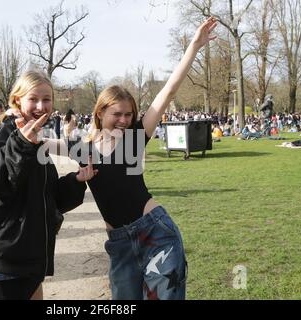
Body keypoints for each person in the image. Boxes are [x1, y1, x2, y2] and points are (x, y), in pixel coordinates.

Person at [68, 17, 217, 300]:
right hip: (120, 245)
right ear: (100, 113)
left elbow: (168, 91)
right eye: (117, 114)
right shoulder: (82, 149)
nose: (124, 120)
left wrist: (194, 47)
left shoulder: (136, 137)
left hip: (156, 235)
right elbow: (38, 142)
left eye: (129, 114)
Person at [0, 70, 97, 300]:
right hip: (2, 257)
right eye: (33, 99)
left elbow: (46, 196)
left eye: (47, 99)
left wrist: (76, 180)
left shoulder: (33, 136)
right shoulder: (4, 130)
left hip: (26, 255)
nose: (41, 106)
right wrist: (22, 144)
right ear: (17, 100)